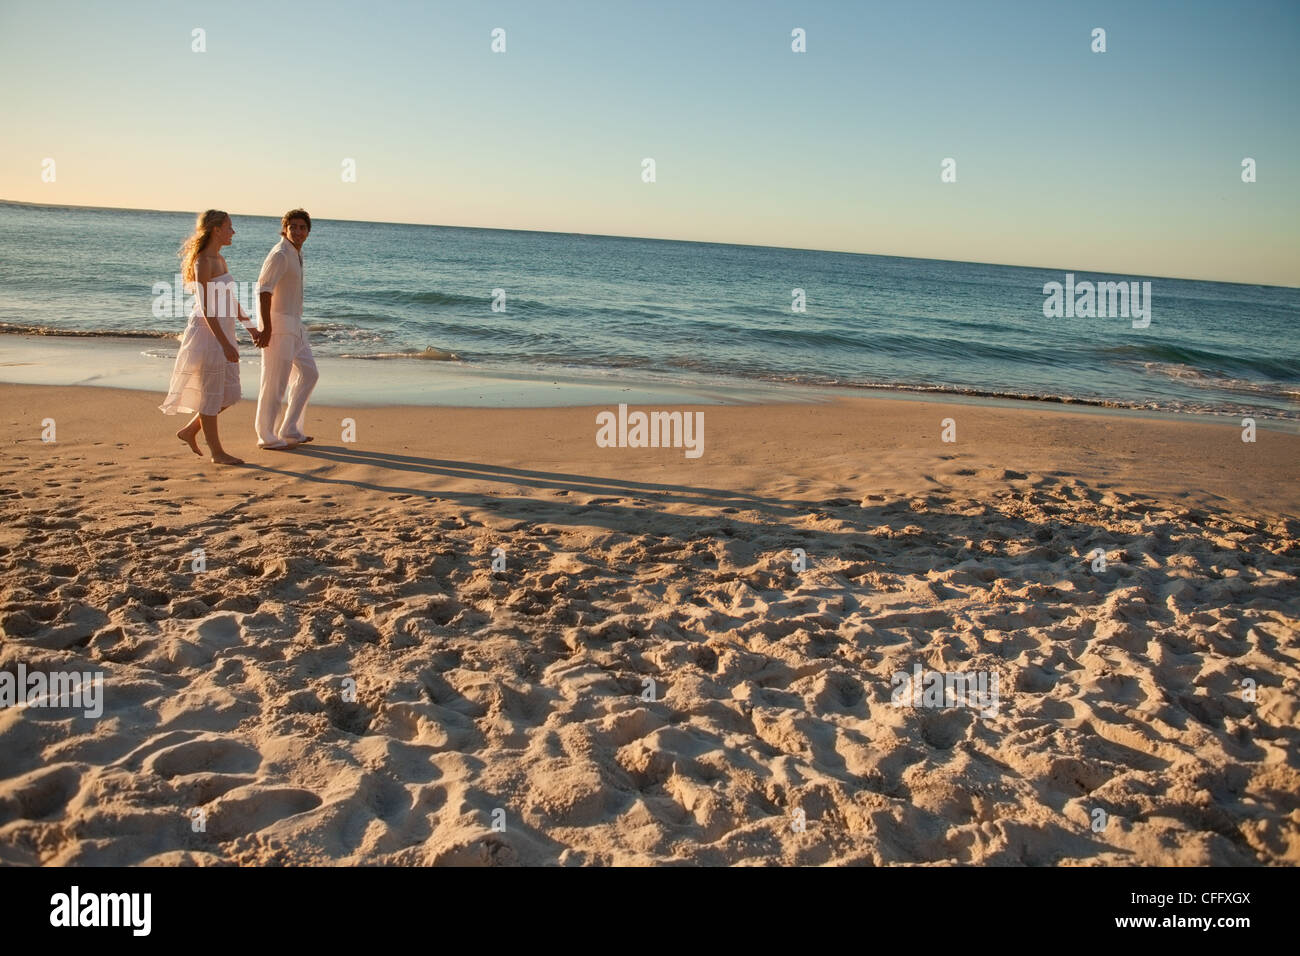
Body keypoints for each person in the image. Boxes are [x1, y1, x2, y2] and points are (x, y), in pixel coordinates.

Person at [160, 209, 257, 465]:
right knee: (211, 392)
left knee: (229, 393)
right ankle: (217, 453)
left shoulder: (221, 260)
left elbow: (230, 300)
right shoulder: (203, 262)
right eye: (229, 227)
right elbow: (206, 308)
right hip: (207, 333)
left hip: (224, 330)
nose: (233, 232)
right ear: (217, 230)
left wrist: (251, 327)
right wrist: (224, 343)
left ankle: (190, 430)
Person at [254, 208, 318, 449]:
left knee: (310, 373)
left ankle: (290, 429)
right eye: (293, 227)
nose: (298, 231)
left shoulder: (296, 253)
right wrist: (267, 328)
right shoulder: (280, 253)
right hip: (278, 324)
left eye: (302, 227)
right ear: (285, 228)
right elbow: (263, 290)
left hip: (295, 325)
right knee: (275, 381)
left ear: (308, 231)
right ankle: (266, 436)